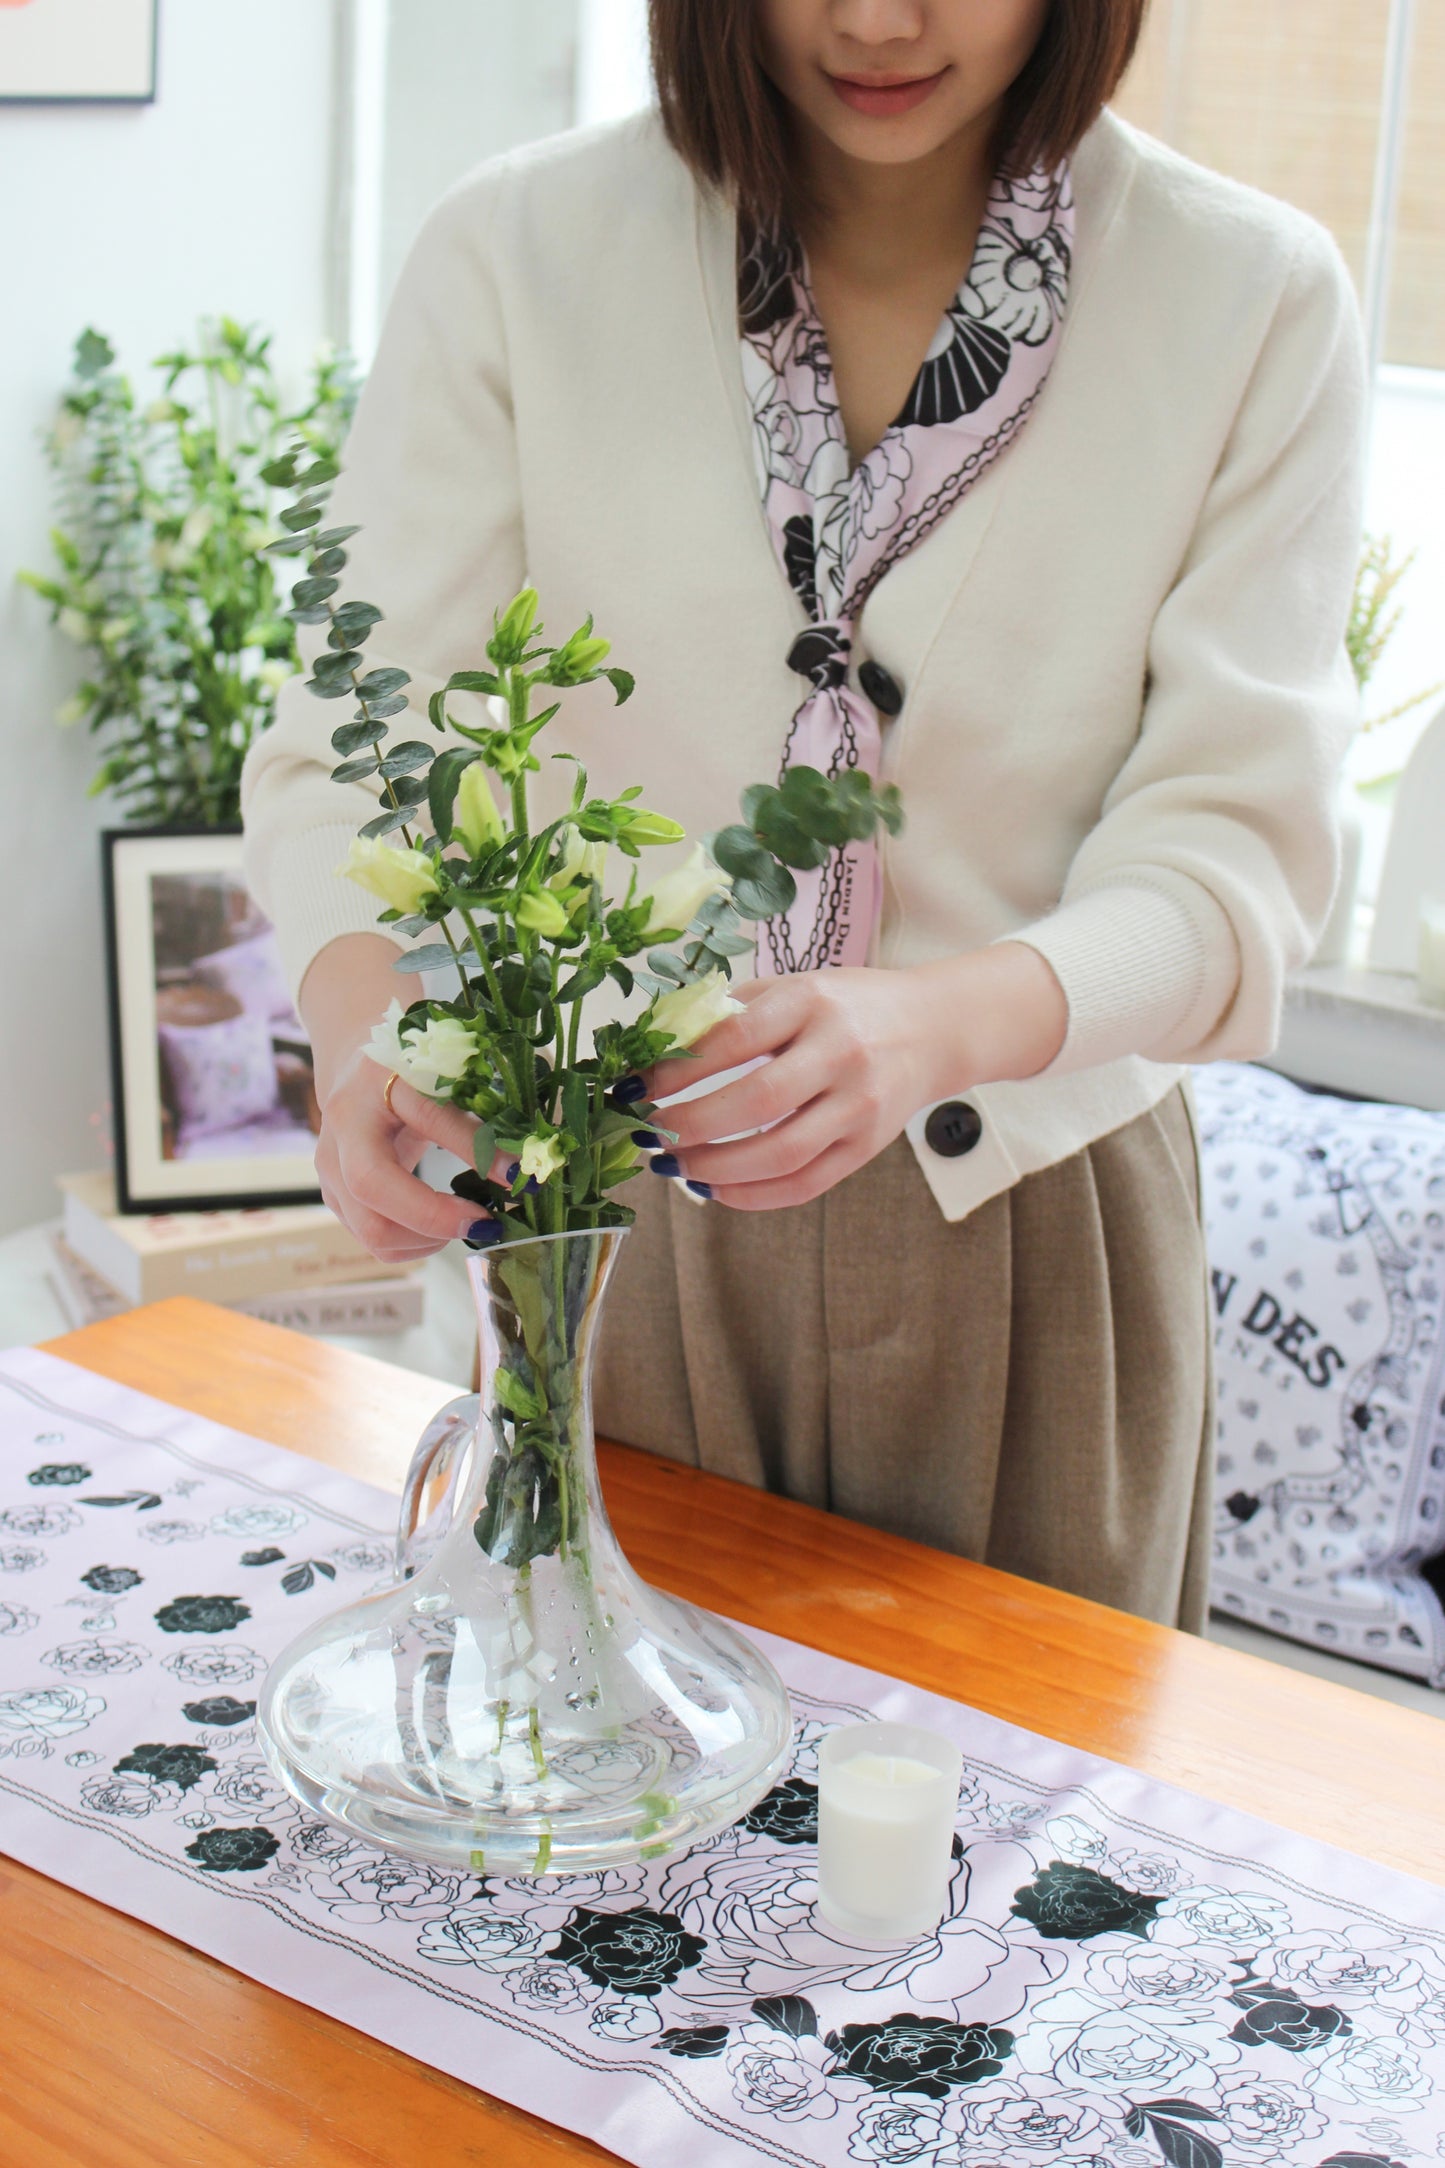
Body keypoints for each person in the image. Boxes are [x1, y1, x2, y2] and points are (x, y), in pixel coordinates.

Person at [241, 0, 1365, 1632]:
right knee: (598, 1813)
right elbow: (350, 750)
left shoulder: (1245, 296)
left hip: (1034, 1232)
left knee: (1027, 1850)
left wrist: (924, 1029)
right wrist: (366, 1036)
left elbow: (1234, 859)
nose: (875, 19)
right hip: (607, 1212)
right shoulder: (519, 252)